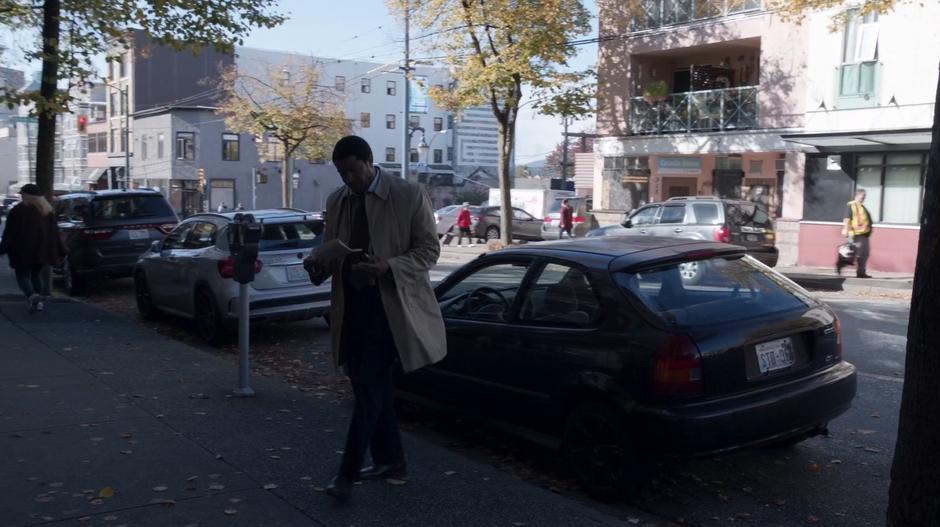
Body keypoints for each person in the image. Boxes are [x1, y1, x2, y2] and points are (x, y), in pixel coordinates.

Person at [303, 136, 446, 501]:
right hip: (350, 306)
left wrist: (389, 266)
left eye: (353, 170)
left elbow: (429, 250)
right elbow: (331, 247)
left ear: (370, 161)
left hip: (390, 309)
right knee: (369, 387)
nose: (349, 179)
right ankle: (391, 461)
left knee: (368, 391)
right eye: (342, 173)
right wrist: (319, 261)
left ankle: (345, 475)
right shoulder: (338, 200)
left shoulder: (407, 195)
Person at [0, 184, 66, 313]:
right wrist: (59, 249)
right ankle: (39, 302)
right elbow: (54, 233)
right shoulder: (47, 211)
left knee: (22, 276)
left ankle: (31, 295)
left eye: (22, 194)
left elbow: (10, 233)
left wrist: (3, 248)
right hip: (42, 251)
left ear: (26, 195)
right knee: (36, 275)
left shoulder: (18, 211)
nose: (21, 196)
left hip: (22, 251)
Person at [839, 188, 873, 278]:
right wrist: (846, 230)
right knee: (856, 254)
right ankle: (842, 265)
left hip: (864, 235)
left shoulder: (862, 207)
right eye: (862, 196)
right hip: (855, 234)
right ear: (857, 196)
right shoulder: (851, 205)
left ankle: (861, 272)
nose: (864, 198)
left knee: (865, 254)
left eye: (864, 197)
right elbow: (847, 218)